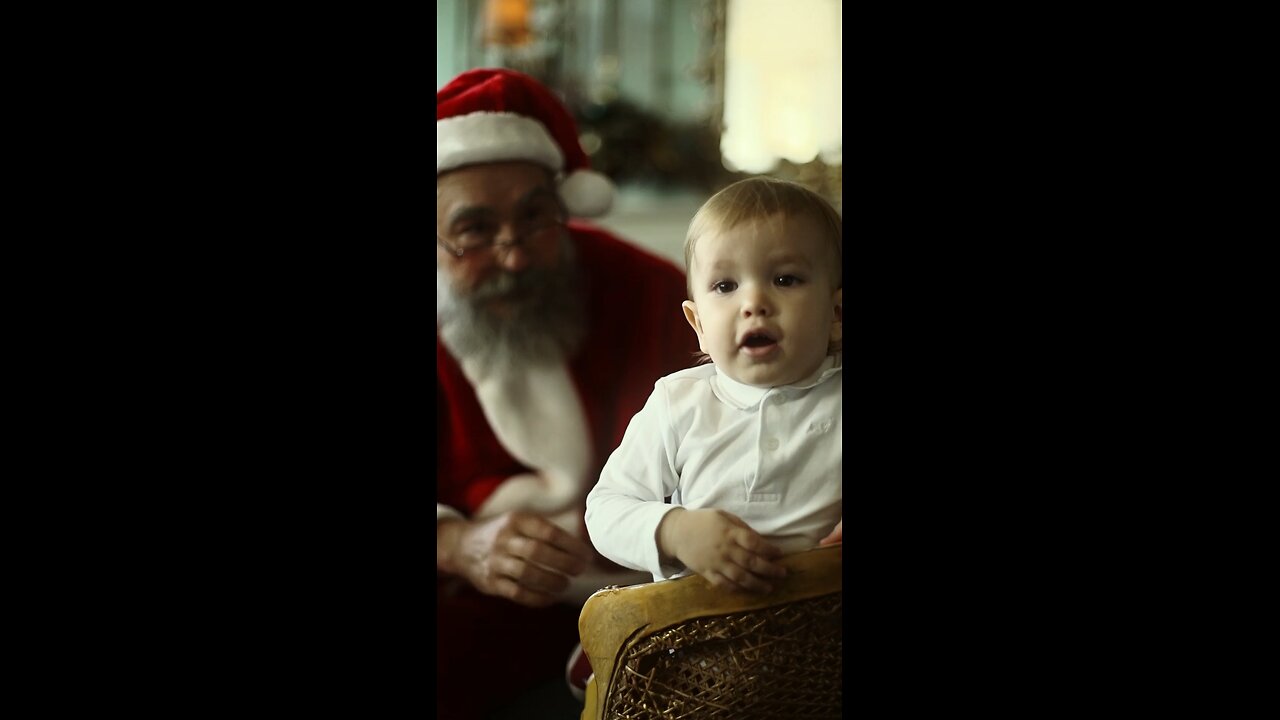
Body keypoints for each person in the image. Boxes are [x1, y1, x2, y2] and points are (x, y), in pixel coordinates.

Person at [435, 68, 699, 720]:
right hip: (472, 603)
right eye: (473, 229)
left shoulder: (652, 292)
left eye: (535, 218)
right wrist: (460, 547)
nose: (515, 256)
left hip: (648, 601)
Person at [586, 176, 843, 588]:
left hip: (819, 625)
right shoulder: (679, 402)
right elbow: (604, 510)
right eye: (726, 286)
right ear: (698, 324)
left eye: (785, 280)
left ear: (837, 314)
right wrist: (676, 531)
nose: (754, 303)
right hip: (698, 633)